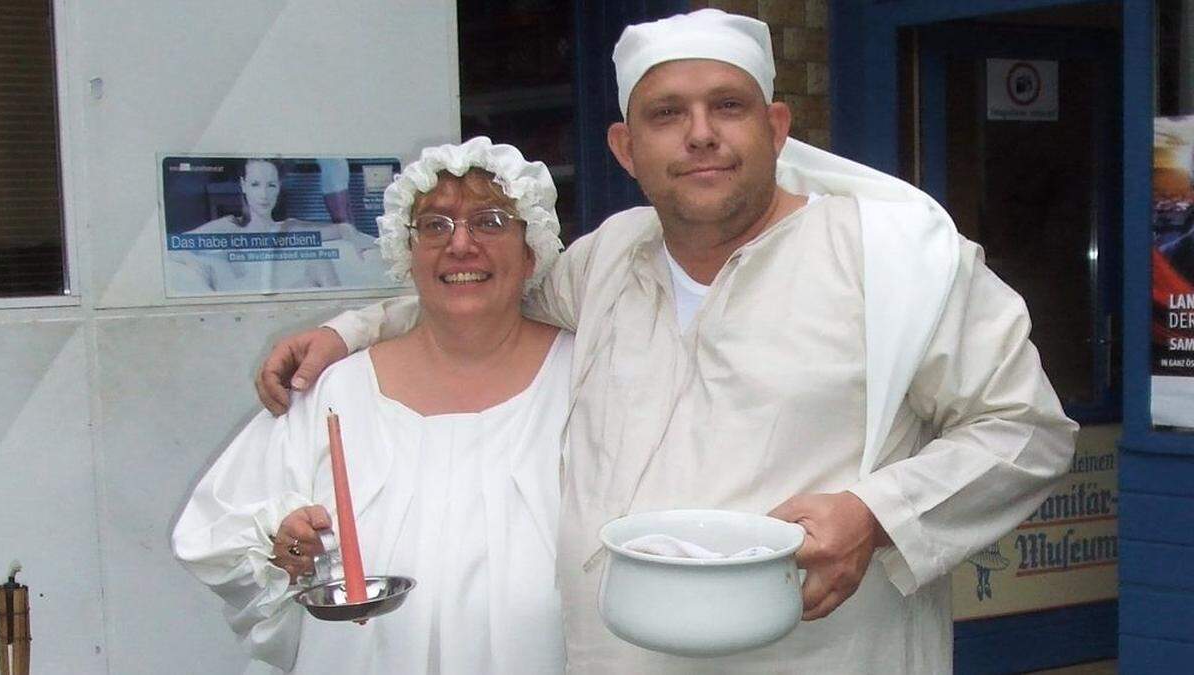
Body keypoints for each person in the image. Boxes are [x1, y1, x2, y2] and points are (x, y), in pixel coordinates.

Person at [255, 10, 1077, 674]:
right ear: (626, 148)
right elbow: (486, 296)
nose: (700, 133)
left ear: (777, 125)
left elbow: (1025, 430)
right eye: (666, 114)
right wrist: (348, 330)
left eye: (728, 105)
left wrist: (875, 513)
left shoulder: (894, 260)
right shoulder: (608, 257)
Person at [172, 137, 569, 674]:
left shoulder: (585, 382)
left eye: (491, 221)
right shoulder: (335, 395)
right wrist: (282, 551)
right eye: (435, 225)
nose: (460, 246)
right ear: (406, 253)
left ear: (532, 251)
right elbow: (220, 535)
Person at [167, 157, 379, 294]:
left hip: (284, 305)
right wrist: (200, 264)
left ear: (278, 187)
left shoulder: (288, 227)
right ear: (244, 186)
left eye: (271, 185)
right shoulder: (228, 227)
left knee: (318, 260)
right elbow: (176, 245)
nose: (263, 195)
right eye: (255, 185)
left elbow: (341, 229)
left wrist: (358, 239)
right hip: (239, 306)